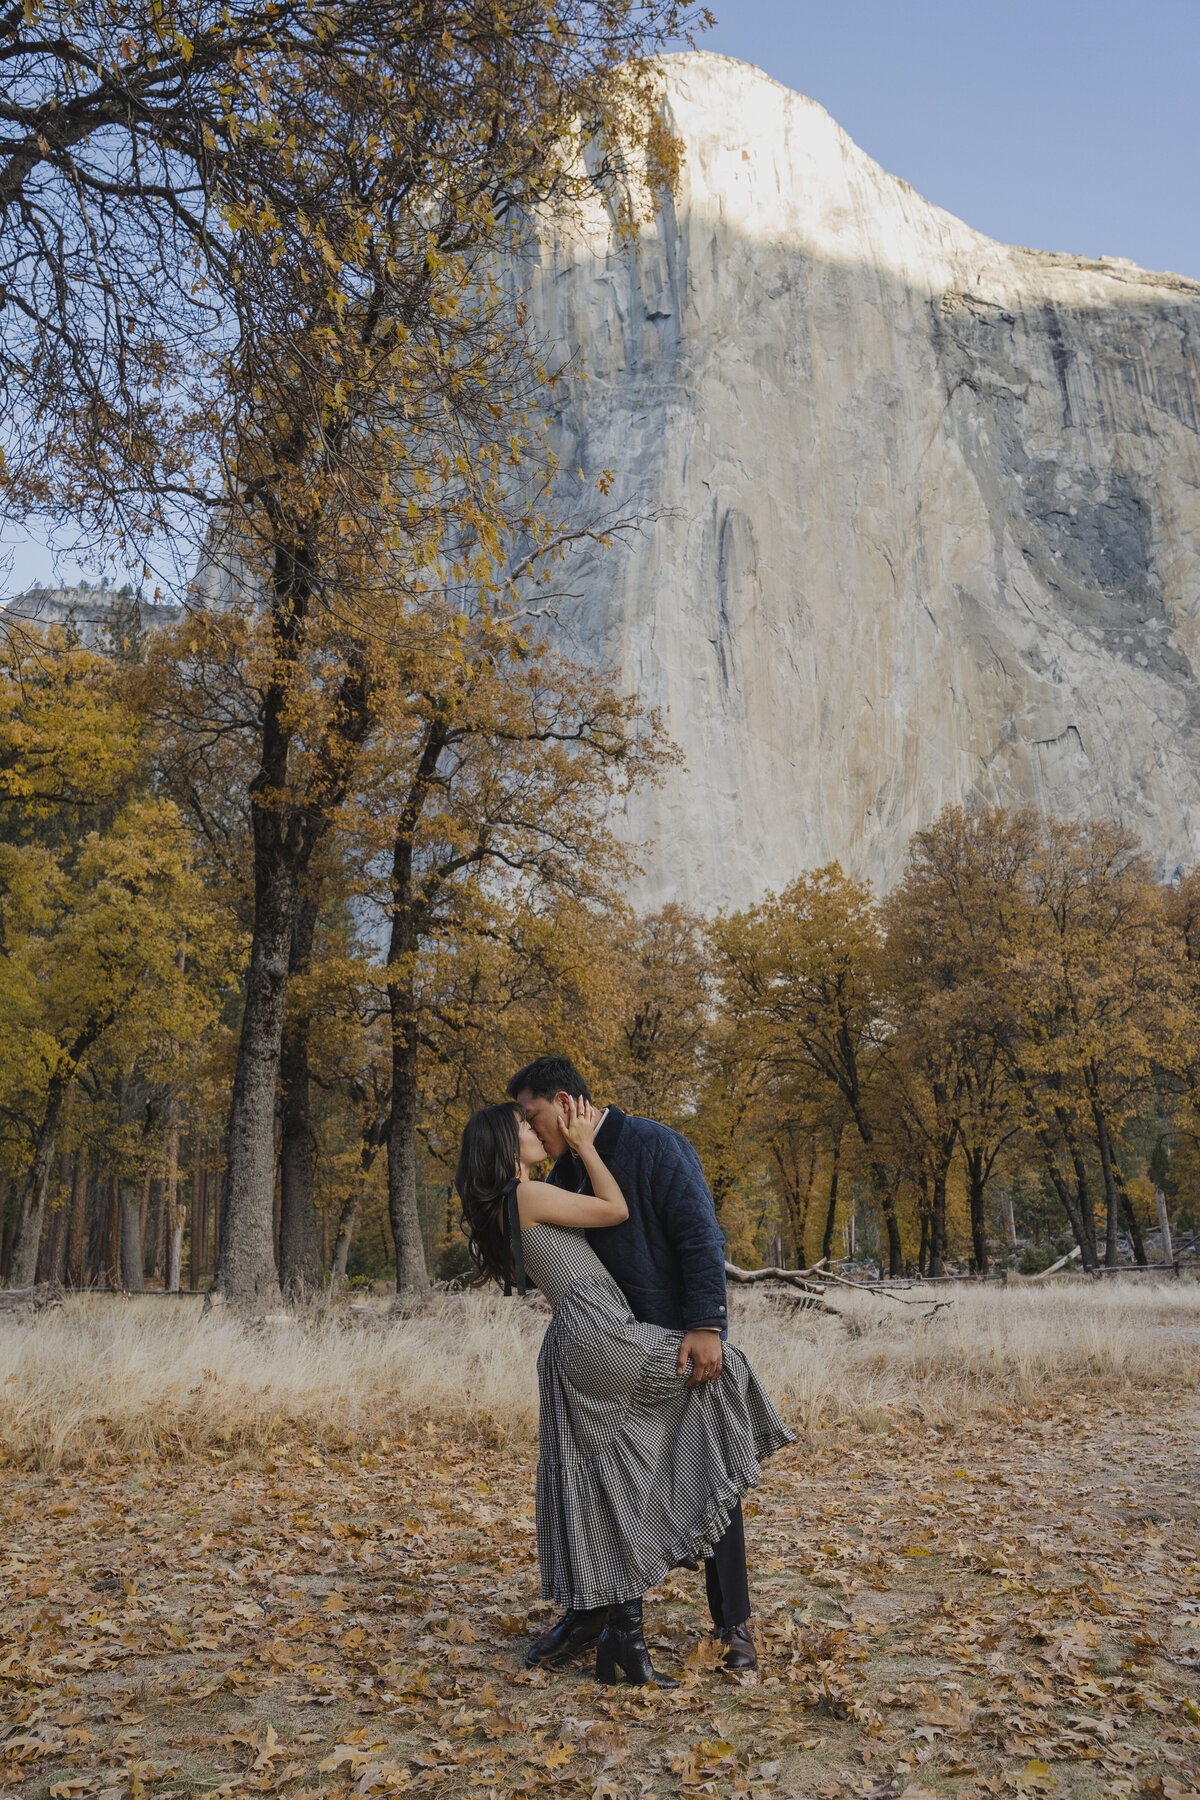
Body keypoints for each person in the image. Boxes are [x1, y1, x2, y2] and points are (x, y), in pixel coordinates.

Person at [455, 1081, 792, 1689]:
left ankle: (624, 1635)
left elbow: (696, 1236)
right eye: (524, 1125)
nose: (535, 1131)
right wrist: (585, 1147)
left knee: (603, 1477)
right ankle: (613, 1619)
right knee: (719, 1378)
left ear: (561, 1100)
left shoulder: (638, 1150)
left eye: (534, 1117)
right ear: (507, 1143)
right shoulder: (533, 1189)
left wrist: (703, 1320)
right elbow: (614, 1211)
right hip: (598, 1338)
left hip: (586, 1340)